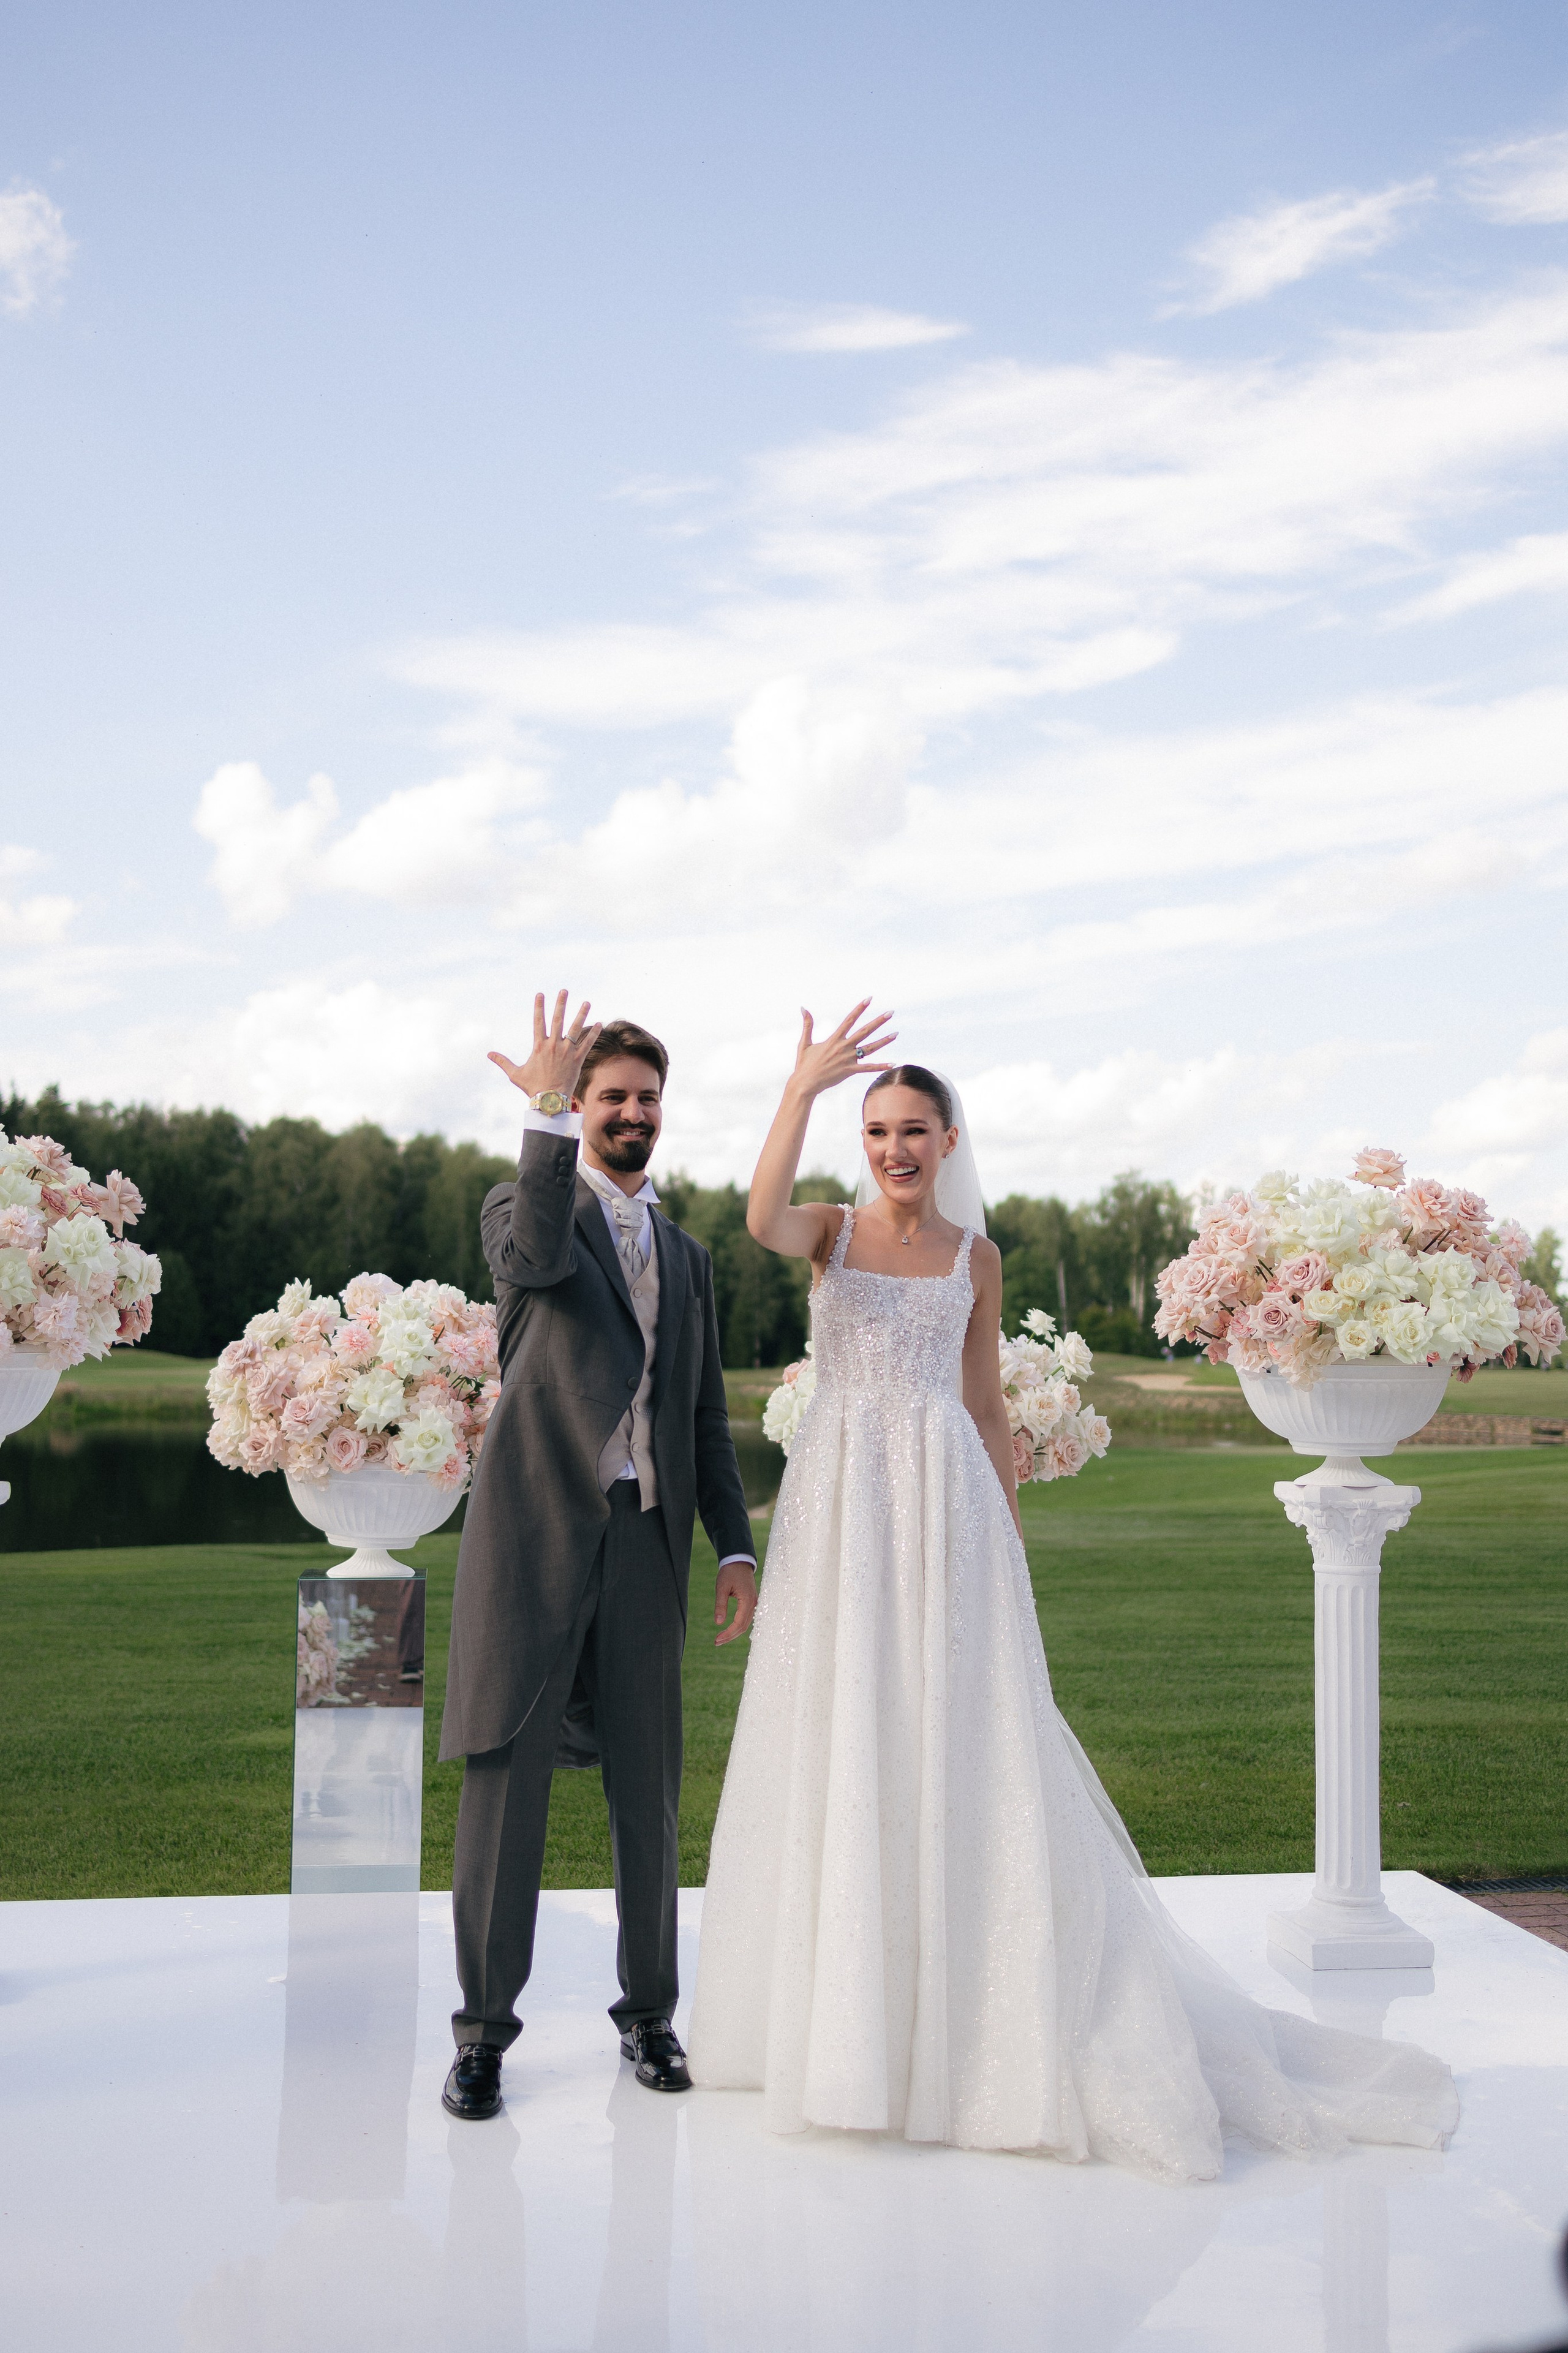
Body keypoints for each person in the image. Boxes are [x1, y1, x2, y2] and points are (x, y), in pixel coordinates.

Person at [687, 1003, 1460, 2183]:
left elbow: (987, 1406)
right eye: (878, 1129)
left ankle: (971, 2021)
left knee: (957, 1734)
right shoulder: (831, 1234)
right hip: (843, 1504)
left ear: (950, 1140)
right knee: (843, 1724)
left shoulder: (975, 1258)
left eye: (915, 1130)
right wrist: (797, 1089)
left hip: (943, 1500)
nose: (896, 1148)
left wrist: (1001, 1532)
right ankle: (841, 2025)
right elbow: (755, 1215)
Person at [440, 994, 758, 2121]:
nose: (634, 1112)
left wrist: (735, 1546)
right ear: (580, 1107)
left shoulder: (690, 1254)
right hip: (530, 1541)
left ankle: (652, 2017)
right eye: (612, 1096)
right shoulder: (526, 1214)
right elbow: (527, 1261)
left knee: (649, 1793)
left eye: (647, 1098)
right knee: (503, 1783)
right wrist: (537, 1117)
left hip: (644, 1542)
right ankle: (482, 2037)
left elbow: (706, 1414)